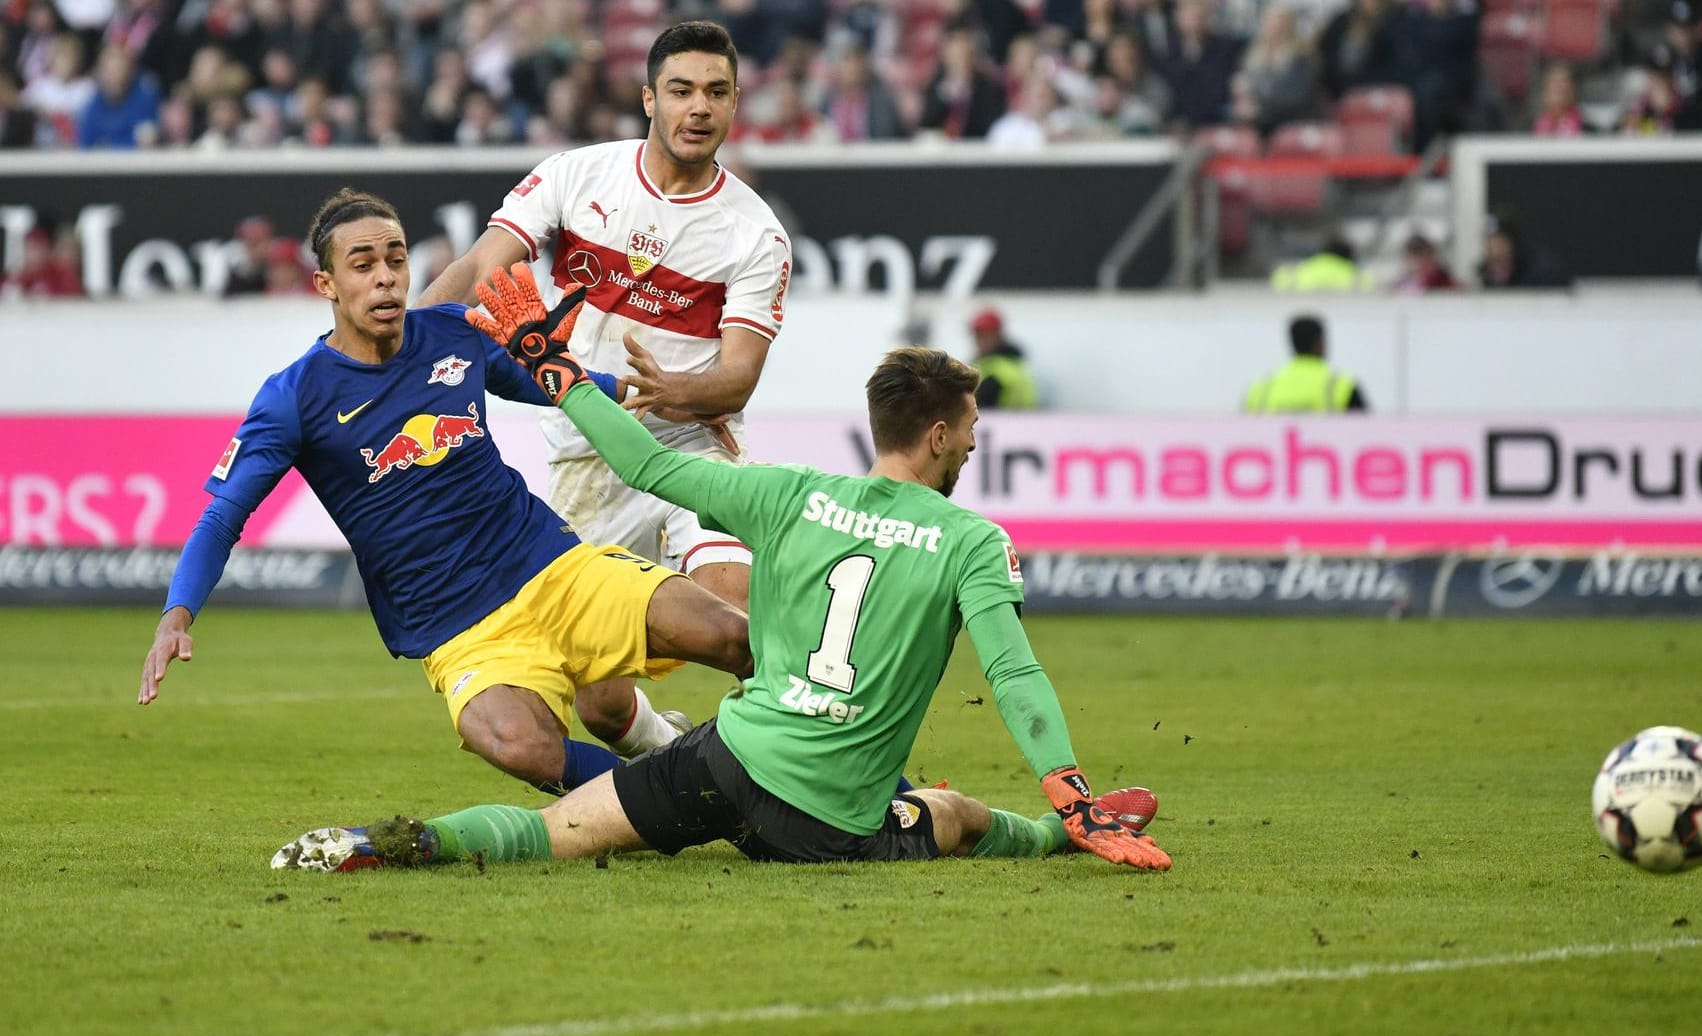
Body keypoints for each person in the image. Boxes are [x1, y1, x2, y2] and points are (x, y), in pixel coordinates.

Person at [273, 279, 1170, 874]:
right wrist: (1066, 786)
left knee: (559, 834)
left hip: (723, 760)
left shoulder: (790, 495)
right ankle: (1065, 832)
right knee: (959, 811)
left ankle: (392, 842)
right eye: (969, 427)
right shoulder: (973, 541)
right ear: (937, 435)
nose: (974, 441)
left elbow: (651, 468)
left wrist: (563, 380)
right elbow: (1012, 673)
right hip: (827, 822)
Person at [139, 189, 752, 798]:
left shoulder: (456, 333)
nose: (385, 279)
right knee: (522, 745)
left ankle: (817, 756)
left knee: (732, 635)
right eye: (363, 265)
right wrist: (176, 616)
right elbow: (222, 519)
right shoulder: (293, 398)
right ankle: (678, 797)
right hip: (458, 628)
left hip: (554, 566)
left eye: (396, 259)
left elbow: (558, 383)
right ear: (326, 285)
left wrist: (661, 396)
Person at [417, 20, 790, 742]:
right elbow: (480, 266)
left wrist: (659, 394)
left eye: (716, 92)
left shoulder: (755, 233)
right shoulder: (578, 174)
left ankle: (802, 769)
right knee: (603, 707)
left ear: (736, 102)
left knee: (734, 610)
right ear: (649, 98)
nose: (698, 107)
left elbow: (736, 378)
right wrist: (410, 338)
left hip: (688, 452)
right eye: (680, 90)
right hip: (585, 458)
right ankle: (671, 749)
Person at [1243, 314, 1367, 414]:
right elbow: (1366, 430)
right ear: (1320, 343)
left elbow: (1243, 432)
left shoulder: (1261, 387)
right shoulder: (1342, 385)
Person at [969, 308, 1038, 410]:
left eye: (985, 335)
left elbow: (979, 410)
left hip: (1004, 422)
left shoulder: (996, 372)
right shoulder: (1016, 363)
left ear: (997, 335)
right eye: (977, 335)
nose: (979, 341)